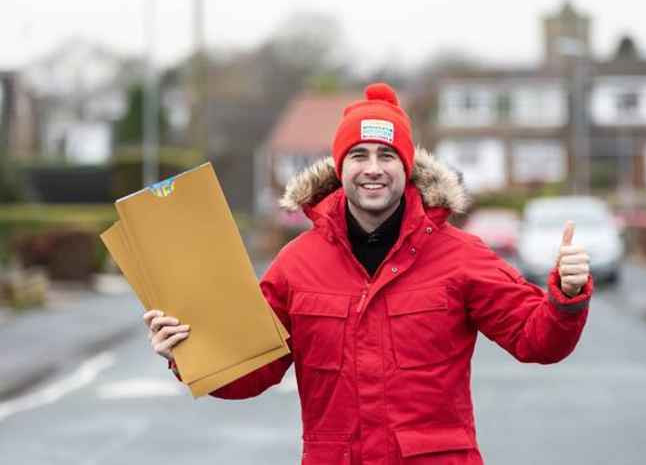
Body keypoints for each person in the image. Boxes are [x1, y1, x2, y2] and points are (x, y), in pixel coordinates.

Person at [144, 82, 594, 464]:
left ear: (407, 166)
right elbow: (252, 373)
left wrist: (567, 295)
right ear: (341, 168)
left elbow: (538, 340)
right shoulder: (296, 266)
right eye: (359, 155)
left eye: (387, 155)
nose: (373, 169)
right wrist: (187, 352)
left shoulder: (460, 256)